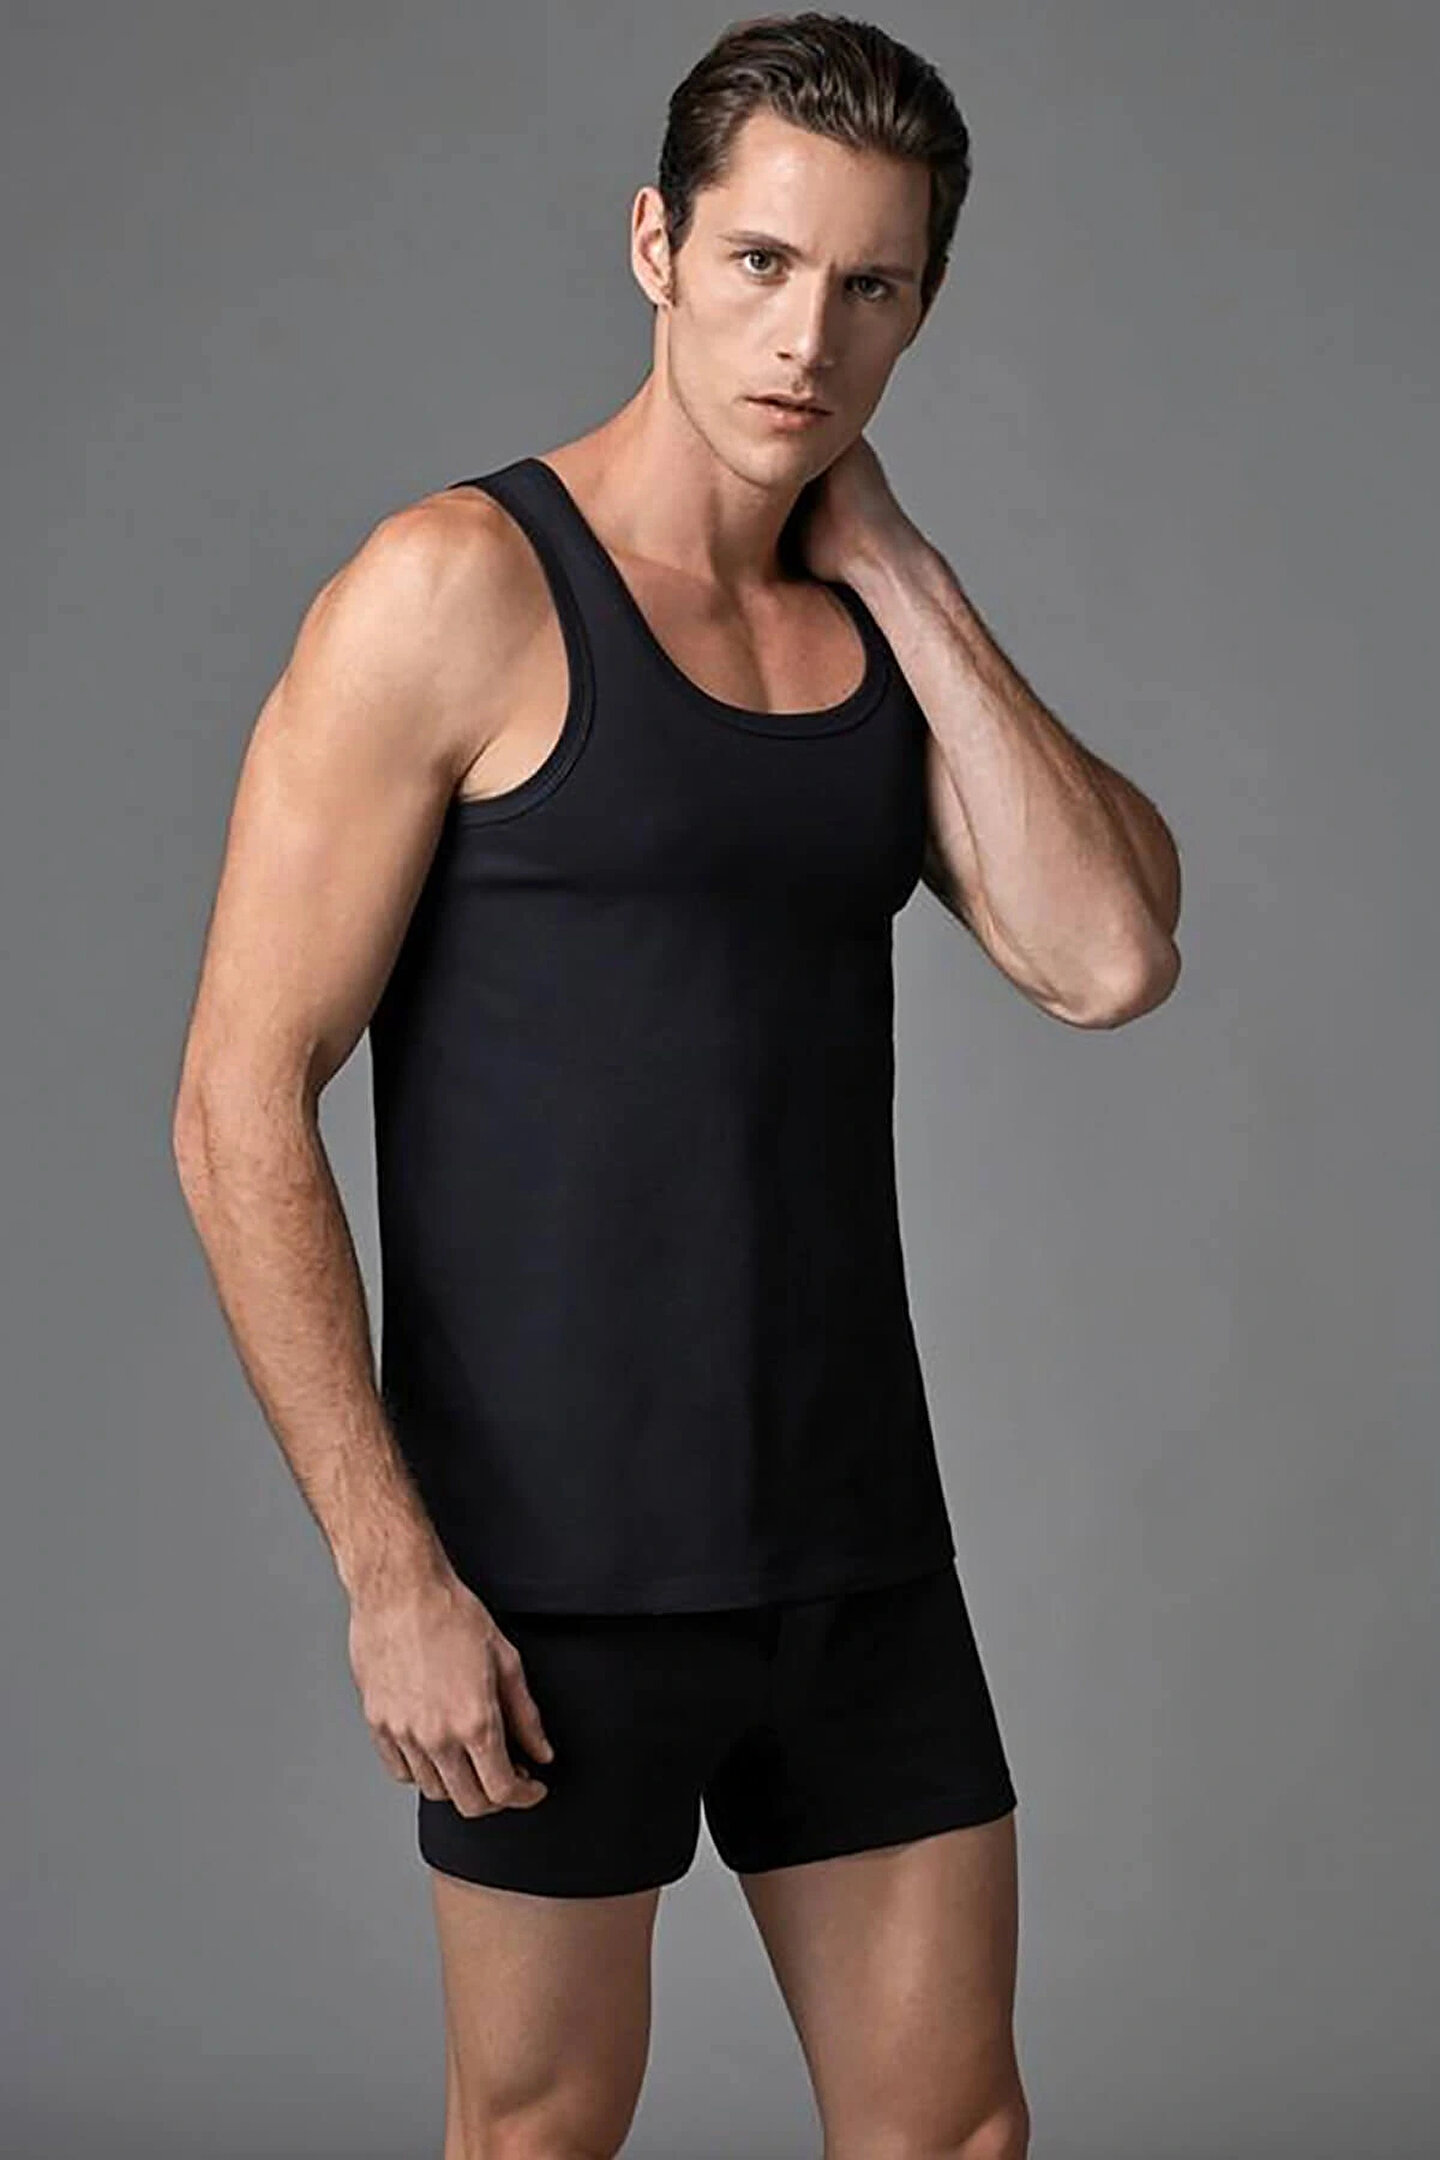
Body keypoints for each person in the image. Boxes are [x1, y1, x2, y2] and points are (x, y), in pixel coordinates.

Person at [172, 13, 1181, 2157]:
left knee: (955, 2132)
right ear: (657, 244)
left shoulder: (870, 643)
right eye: (761, 263)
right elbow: (238, 1101)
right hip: (547, 1576)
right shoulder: (455, 590)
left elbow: (1108, 959)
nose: (807, 338)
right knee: (541, 2136)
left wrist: (898, 565)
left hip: (853, 1543)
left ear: (922, 306)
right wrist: (392, 1577)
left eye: (870, 284)